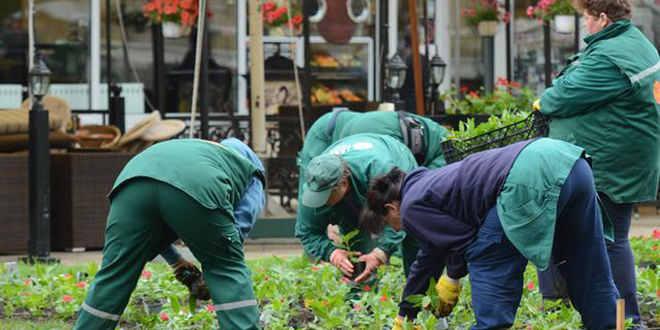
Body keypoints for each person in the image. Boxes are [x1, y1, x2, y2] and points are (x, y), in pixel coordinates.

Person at [361, 138, 619, 330]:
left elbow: (464, 241)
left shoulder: (412, 206)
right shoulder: (430, 185)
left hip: (525, 179)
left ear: (391, 207)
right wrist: (407, 313)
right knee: (588, 265)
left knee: (486, 256)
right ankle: (614, 324)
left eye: (391, 224)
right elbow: (429, 257)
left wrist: (452, 277)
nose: (399, 229)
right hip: (571, 161)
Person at [536, 0, 660, 326]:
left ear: (602, 18)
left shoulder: (611, 56)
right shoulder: (630, 43)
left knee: (609, 241)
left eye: (587, 18)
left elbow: (561, 96)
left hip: (607, 164)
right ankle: (610, 316)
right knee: (602, 238)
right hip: (620, 160)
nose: (585, 26)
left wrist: (543, 99)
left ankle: (625, 319)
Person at [73, 138, 265, 330]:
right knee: (227, 268)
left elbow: (154, 221)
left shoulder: (202, 150)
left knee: (115, 272)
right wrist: (217, 262)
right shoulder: (253, 172)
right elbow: (241, 224)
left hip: (131, 182)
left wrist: (176, 261)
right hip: (195, 181)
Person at [295, 133, 418, 282]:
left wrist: (381, 252)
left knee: (414, 229)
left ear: (343, 185)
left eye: (325, 196)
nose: (318, 201)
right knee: (354, 245)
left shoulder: (381, 172)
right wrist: (332, 253)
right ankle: (359, 296)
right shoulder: (315, 183)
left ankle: (419, 291)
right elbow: (306, 231)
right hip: (355, 178)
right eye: (316, 195)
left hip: (395, 159)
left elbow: (400, 215)